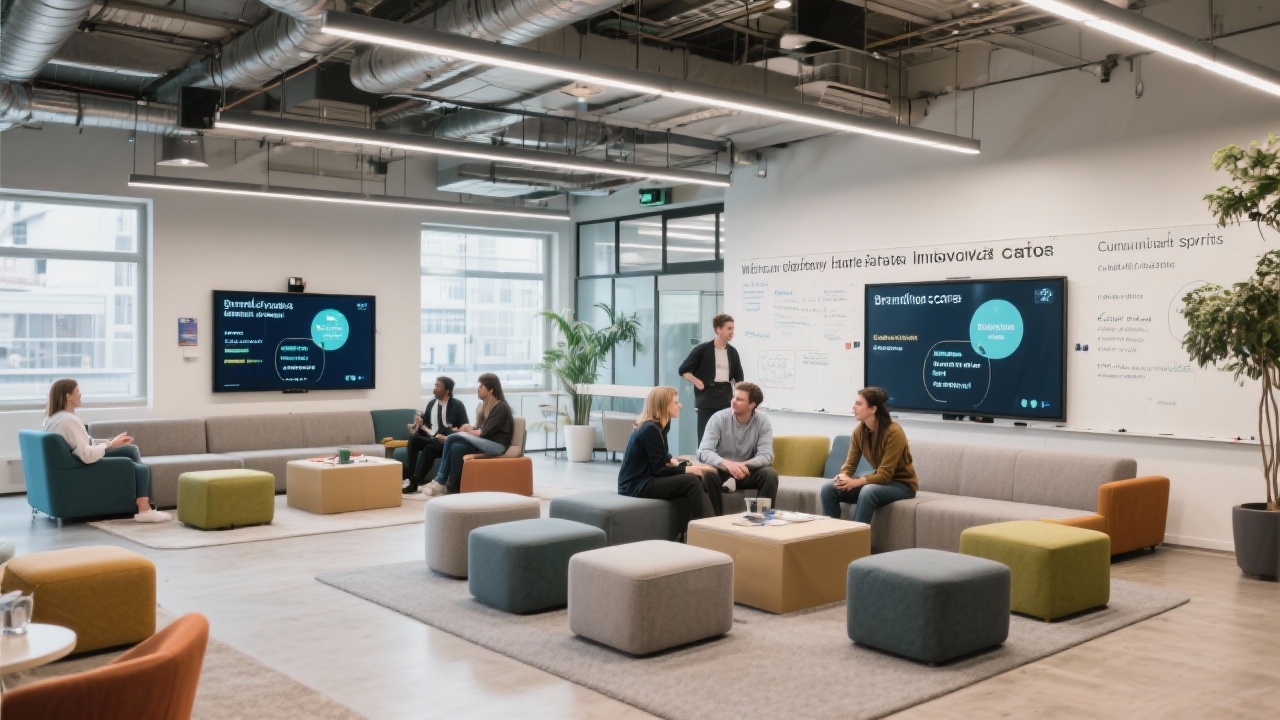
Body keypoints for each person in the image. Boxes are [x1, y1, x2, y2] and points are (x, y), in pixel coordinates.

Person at [41, 378, 171, 523]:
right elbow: (85, 454)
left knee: (131, 450)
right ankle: (144, 508)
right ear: (68, 396)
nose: (80, 394)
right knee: (141, 469)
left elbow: (85, 443)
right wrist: (109, 446)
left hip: (75, 462)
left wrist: (111, 443)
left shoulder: (55, 419)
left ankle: (141, 499)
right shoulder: (68, 421)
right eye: (77, 390)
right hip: (82, 465)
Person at [617, 386, 716, 531]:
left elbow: (657, 456)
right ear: (663, 405)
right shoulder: (650, 429)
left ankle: (710, 523)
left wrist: (671, 459)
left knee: (700, 477)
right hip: (636, 484)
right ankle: (704, 530)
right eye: (676, 403)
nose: (680, 406)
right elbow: (659, 469)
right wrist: (691, 469)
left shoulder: (660, 426)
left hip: (646, 479)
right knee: (692, 480)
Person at [819, 387, 917, 523]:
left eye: (859, 404)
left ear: (873, 409)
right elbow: (850, 464)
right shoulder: (859, 431)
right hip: (879, 481)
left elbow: (885, 475)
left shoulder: (894, 433)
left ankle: (855, 541)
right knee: (829, 489)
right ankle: (832, 538)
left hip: (901, 485)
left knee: (868, 491)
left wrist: (856, 482)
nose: (854, 407)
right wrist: (844, 476)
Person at [421, 373, 514, 496]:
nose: (478, 389)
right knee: (457, 447)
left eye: (481, 387)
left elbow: (485, 432)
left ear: (491, 389)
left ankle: (440, 480)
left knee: (452, 438)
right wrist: (470, 428)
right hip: (487, 441)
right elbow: (483, 429)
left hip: (497, 445)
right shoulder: (485, 407)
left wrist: (466, 432)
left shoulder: (501, 407)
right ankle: (452, 487)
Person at [695, 382, 778, 516]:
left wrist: (741, 466)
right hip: (721, 470)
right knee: (709, 474)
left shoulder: (763, 422)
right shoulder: (718, 418)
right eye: (733, 397)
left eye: (739, 399)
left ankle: (760, 518)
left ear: (752, 405)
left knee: (770, 474)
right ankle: (717, 520)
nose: (733, 401)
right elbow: (704, 451)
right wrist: (728, 465)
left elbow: (766, 454)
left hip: (746, 471)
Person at [678, 313, 743, 444]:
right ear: (718, 329)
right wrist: (696, 381)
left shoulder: (733, 352)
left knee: (725, 437)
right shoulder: (702, 350)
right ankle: (704, 460)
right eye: (729, 328)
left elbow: (739, 378)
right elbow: (683, 370)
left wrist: (740, 398)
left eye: (733, 329)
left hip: (725, 397)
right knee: (705, 436)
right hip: (706, 397)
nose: (732, 332)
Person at [403, 376, 469, 494]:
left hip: (447, 441)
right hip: (433, 438)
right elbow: (427, 427)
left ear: (447, 390)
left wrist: (449, 436)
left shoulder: (457, 405)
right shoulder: (432, 404)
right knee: (414, 439)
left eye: (438, 386)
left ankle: (415, 482)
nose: (434, 388)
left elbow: (464, 428)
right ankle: (410, 477)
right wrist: (418, 425)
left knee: (430, 448)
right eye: (435, 385)